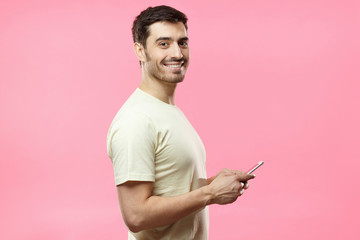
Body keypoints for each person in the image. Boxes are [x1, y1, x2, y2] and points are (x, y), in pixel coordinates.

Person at [106, 5, 255, 240]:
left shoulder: (167, 111)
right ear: (140, 51)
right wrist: (210, 194)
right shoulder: (136, 120)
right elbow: (136, 215)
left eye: (182, 42)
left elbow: (169, 188)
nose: (177, 53)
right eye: (163, 44)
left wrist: (214, 183)